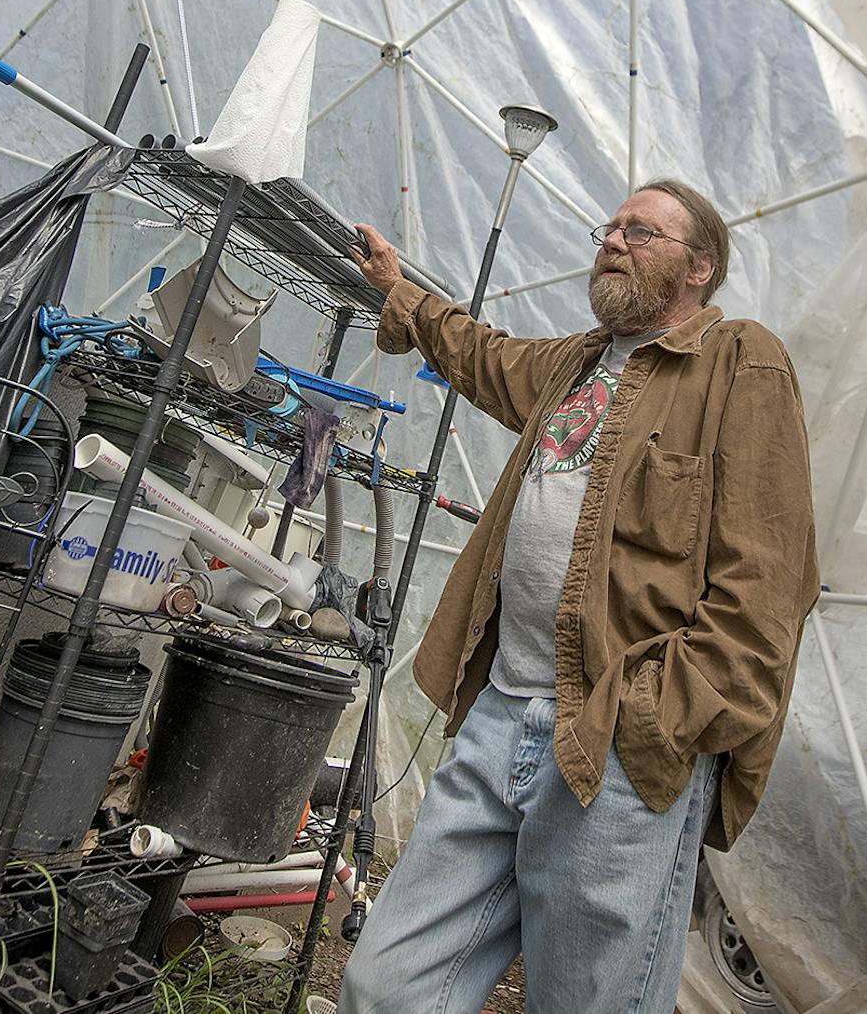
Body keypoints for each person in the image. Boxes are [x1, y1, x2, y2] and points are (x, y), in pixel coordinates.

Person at [338, 178, 819, 1014]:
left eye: (643, 233)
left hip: (619, 737)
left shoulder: (741, 361)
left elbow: (768, 586)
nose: (615, 241)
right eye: (612, 228)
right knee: (388, 986)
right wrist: (396, 288)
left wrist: (653, 717)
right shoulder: (574, 363)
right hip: (499, 715)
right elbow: (480, 354)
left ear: (700, 266)